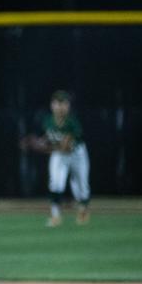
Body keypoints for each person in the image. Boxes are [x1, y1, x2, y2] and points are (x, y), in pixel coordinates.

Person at [42, 90, 90, 226]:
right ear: (52, 105)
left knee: (82, 187)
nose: (60, 106)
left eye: (63, 103)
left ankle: (83, 210)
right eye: (57, 103)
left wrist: (40, 147)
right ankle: (55, 215)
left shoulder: (72, 122)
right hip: (59, 154)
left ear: (68, 106)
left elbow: (66, 147)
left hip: (77, 154)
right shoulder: (47, 120)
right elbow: (49, 139)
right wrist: (38, 143)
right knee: (55, 183)